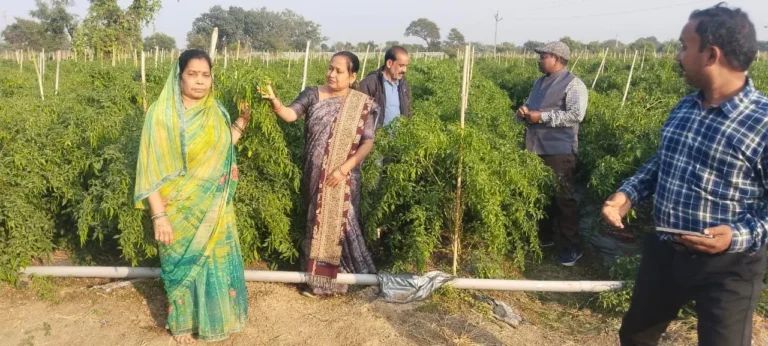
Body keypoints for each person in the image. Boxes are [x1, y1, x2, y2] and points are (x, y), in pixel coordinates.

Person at [602, 4, 768, 346]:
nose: (678, 56)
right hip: (666, 251)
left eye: (683, 46)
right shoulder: (685, 107)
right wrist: (627, 194)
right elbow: (662, 162)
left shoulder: (762, 122)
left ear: (711, 54)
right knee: (635, 336)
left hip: (728, 267)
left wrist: (735, 236)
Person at [133, 49, 251, 344]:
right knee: (180, 263)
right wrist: (159, 215)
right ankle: (183, 323)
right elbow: (150, 170)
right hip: (177, 207)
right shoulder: (161, 115)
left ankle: (214, 318)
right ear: (179, 77)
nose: (200, 81)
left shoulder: (217, 111)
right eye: (193, 74)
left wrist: (241, 121)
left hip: (213, 205)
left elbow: (222, 146)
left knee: (213, 260)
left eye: (205, 75)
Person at [258, 51, 380, 296]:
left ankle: (348, 277)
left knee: (344, 224)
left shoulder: (360, 103)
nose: (331, 74)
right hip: (314, 174)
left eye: (338, 71)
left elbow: (367, 142)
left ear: (352, 76)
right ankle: (318, 281)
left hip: (345, 177)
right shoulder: (313, 94)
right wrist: (274, 101)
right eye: (330, 68)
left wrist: (343, 169)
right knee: (317, 222)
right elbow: (291, 115)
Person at [517, 41, 589, 266]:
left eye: (543, 56)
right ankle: (544, 237)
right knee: (541, 196)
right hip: (535, 147)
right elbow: (532, 106)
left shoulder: (574, 84)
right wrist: (524, 112)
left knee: (563, 199)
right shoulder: (539, 82)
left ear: (557, 59)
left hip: (559, 151)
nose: (539, 60)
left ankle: (571, 248)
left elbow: (576, 115)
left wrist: (542, 117)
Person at [358, 46, 411, 128]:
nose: (404, 70)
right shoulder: (370, 83)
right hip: (377, 135)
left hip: (399, 135)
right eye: (401, 65)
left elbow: (408, 111)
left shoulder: (403, 85)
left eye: (406, 66)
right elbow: (360, 115)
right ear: (389, 63)